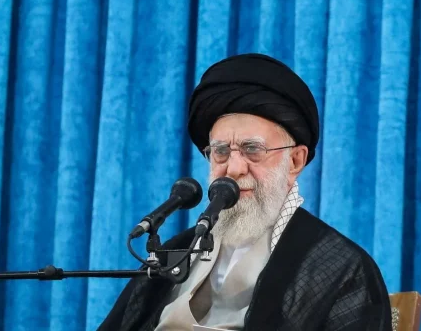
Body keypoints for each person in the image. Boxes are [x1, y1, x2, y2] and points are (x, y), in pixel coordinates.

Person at [97, 53, 392, 330]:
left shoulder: (341, 268)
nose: (234, 168)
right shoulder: (177, 251)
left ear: (295, 161)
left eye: (252, 149)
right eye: (221, 151)